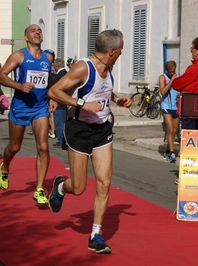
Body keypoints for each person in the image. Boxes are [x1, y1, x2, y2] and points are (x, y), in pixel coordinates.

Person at [47, 29, 131, 254]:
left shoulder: (109, 67)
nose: (122, 53)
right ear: (111, 51)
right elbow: (54, 91)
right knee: (79, 186)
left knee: (104, 182)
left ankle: (95, 235)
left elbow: (102, 90)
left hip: (102, 130)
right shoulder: (83, 67)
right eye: (120, 49)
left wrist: (117, 99)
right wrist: (81, 104)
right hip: (79, 130)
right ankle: (61, 186)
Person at [0, 24, 56, 205]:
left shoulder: (47, 58)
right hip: (20, 107)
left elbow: (49, 80)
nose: (37, 32)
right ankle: (5, 166)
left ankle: (39, 189)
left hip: (40, 107)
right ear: (26, 38)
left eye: (39, 30)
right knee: (14, 147)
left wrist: (52, 96)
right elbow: (1, 76)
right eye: (32, 31)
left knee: (44, 146)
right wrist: (19, 86)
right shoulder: (19, 55)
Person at [171, 37, 198, 130]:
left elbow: (176, 84)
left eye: (192, 49)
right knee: (196, 136)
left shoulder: (195, 67)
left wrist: (175, 79)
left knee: (188, 138)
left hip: (189, 107)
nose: (191, 51)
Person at [159, 60, 179, 162]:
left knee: (174, 131)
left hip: (176, 107)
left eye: (173, 71)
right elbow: (162, 92)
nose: (172, 74)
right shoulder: (162, 77)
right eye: (170, 72)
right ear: (166, 71)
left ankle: (167, 151)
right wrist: (171, 81)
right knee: (170, 130)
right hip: (166, 106)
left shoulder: (178, 77)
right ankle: (172, 152)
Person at [51, 58, 68, 148]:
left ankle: (61, 141)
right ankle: (63, 140)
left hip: (59, 103)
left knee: (60, 123)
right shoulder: (65, 73)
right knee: (63, 123)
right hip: (64, 103)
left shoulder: (60, 75)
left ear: (56, 65)